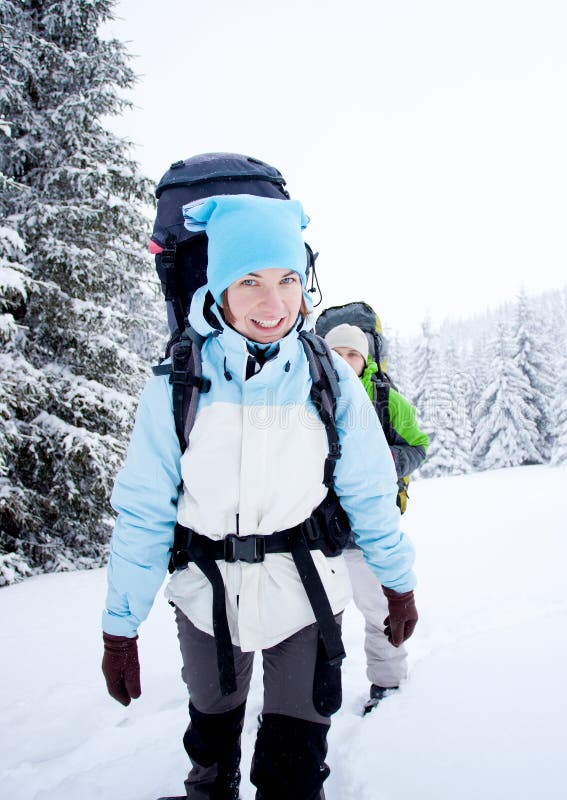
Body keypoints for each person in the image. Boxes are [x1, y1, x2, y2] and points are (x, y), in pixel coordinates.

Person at [100, 194, 419, 800]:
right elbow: (145, 511)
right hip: (206, 595)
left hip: (308, 593)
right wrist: (121, 626)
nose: (273, 304)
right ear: (219, 288)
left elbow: (371, 494)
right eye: (249, 281)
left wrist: (397, 582)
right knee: (211, 742)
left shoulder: (330, 378)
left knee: (297, 762)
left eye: (287, 280)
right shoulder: (178, 381)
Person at [323, 322, 428, 713]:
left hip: (372, 534)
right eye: (338, 354)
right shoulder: (311, 390)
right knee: (318, 619)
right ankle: (315, 694)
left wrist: (390, 460)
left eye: (354, 354)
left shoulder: (386, 399)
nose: (346, 362)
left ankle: (387, 684)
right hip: (318, 533)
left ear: (366, 358)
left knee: (382, 614)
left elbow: (417, 444)